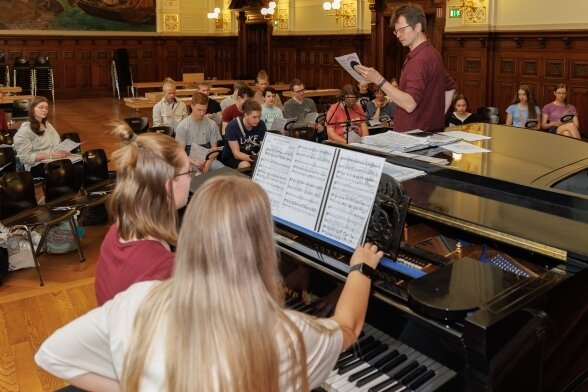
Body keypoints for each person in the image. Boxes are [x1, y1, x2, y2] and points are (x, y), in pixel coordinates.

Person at [35, 175, 383, 391]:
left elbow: (54, 356)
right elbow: (347, 327)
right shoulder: (284, 333)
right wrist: (360, 268)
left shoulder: (138, 300)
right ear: (263, 244)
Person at [93, 123, 192, 306]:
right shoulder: (163, 269)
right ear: (169, 185)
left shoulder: (115, 231)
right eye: (189, 172)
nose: (191, 178)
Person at [355, 4, 456, 132]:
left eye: (402, 30)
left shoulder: (420, 59)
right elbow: (450, 87)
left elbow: (409, 104)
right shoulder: (432, 53)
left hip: (413, 138)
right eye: (396, 31)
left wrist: (378, 79)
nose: (398, 35)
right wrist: (436, 117)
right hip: (426, 133)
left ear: (417, 27)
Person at [13, 96, 71, 179]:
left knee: (80, 165)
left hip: (53, 160)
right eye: (41, 107)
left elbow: (56, 144)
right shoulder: (24, 131)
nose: (45, 110)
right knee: (70, 170)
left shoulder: (47, 124)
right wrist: (51, 155)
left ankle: (75, 191)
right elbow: (25, 158)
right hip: (36, 165)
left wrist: (62, 151)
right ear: (32, 109)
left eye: (46, 108)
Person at [175, 92, 224, 175]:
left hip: (209, 160)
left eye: (204, 110)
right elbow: (181, 153)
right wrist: (195, 163)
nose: (202, 113)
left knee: (224, 171)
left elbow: (214, 149)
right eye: (199, 110)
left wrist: (208, 162)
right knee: (198, 177)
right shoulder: (183, 126)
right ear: (192, 106)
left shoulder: (212, 124)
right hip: (190, 162)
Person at [221, 100, 266, 169]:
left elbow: (264, 146)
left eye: (259, 117)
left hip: (252, 156)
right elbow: (236, 154)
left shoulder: (261, 124)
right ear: (245, 115)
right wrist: (255, 159)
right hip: (232, 158)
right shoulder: (232, 126)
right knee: (245, 165)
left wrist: (259, 155)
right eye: (254, 117)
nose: (257, 120)